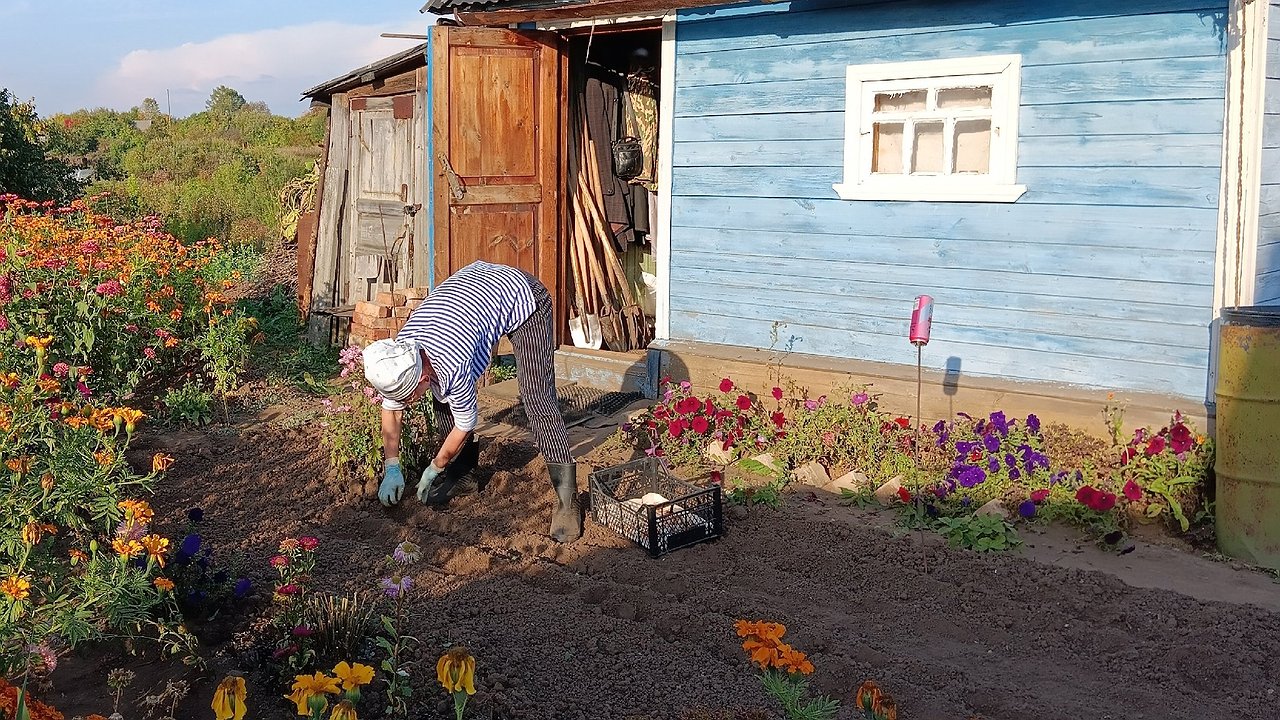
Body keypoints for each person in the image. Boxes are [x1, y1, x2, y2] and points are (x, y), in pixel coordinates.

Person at [361, 260, 581, 543]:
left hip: (525, 297)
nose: (408, 403)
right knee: (443, 399)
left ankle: (567, 500)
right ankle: (464, 477)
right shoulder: (400, 352)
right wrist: (391, 466)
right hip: (474, 293)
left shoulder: (453, 364)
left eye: (410, 396)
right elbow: (391, 409)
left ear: (422, 378)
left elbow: (465, 423)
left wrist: (435, 467)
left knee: (536, 398)